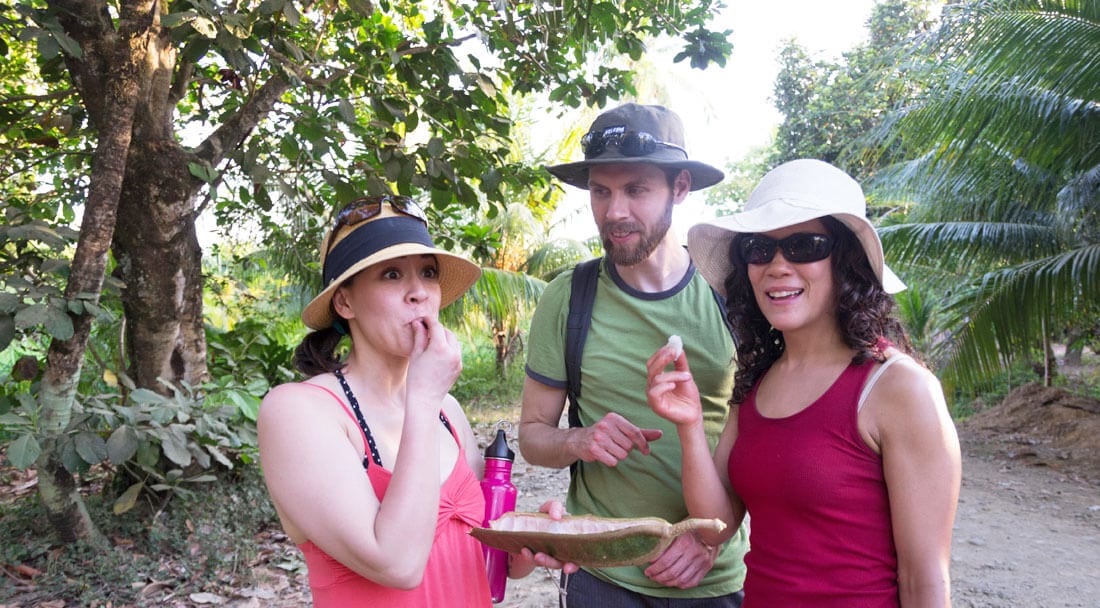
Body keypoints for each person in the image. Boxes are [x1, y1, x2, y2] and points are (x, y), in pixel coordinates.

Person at [646, 159, 962, 607]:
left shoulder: (899, 388)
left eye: (804, 246)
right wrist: (690, 424)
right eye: (759, 248)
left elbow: (924, 578)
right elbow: (715, 524)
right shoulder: (759, 378)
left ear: (847, 260)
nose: (777, 266)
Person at [258, 196, 566, 607]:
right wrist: (421, 397)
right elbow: (398, 565)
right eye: (390, 275)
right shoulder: (298, 412)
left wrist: (526, 545)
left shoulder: (448, 412)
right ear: (344, 302)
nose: (419, 292)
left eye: (427, 273)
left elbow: (478, 556)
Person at [520, 103, 749, 606]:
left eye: (636, 189)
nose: (614, 211)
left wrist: (715, 538)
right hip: (603, 575)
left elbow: (761, 440)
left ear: (681, 188)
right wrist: (580, 440)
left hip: (711, 576)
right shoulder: (568, 297)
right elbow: (533, 438)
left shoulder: (733, 297)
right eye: (601, 191)